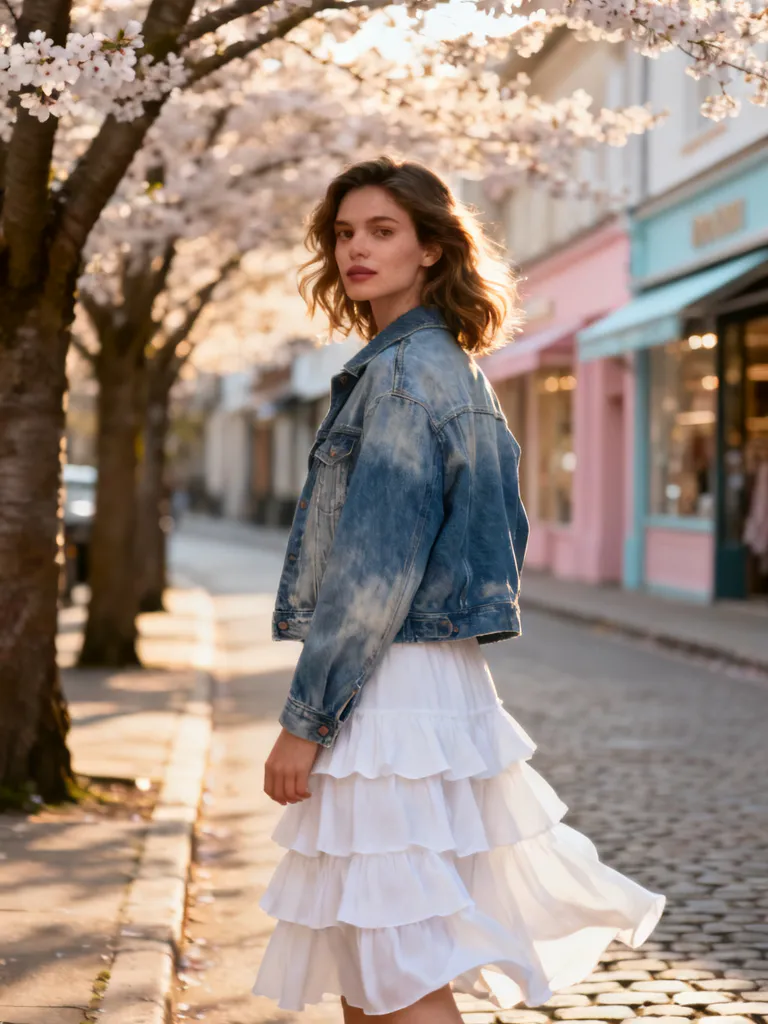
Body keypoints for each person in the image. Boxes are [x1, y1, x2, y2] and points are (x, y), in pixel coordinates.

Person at [253, 157, 665, 1022]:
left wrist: (305, 720)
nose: (355, 249)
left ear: (432, 250)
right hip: (433, 690)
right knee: (376, 966)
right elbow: (498, 541)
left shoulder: (403, 379)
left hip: (389, 695)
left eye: (382, 231)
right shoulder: (452, 371)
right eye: (343, 233)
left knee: (397, 970)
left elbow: (373, 573)